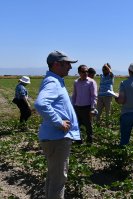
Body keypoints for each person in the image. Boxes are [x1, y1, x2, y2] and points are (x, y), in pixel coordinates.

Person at [34, 50, 81, 198]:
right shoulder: (53, 82)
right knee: (58, 180)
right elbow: (41, 104)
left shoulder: (55, 81)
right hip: (57, 139)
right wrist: (59, 122)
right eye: (67, 64)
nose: (70, 67)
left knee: (54, 177)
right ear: (56, 64)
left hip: (55, 138)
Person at [72, 65, 97, 144]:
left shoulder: (91, 82)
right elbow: (74, 95)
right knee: (77, 125)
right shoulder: (76, 82)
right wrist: (72, 106)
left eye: (87, 71)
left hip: (87, 107)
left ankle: (89, 141)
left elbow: (94, 96)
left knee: (88, 125)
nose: (86, 73)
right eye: (83, 71)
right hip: (77, 107)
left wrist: (92, 108)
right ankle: (78, 141)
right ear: (79, 72)